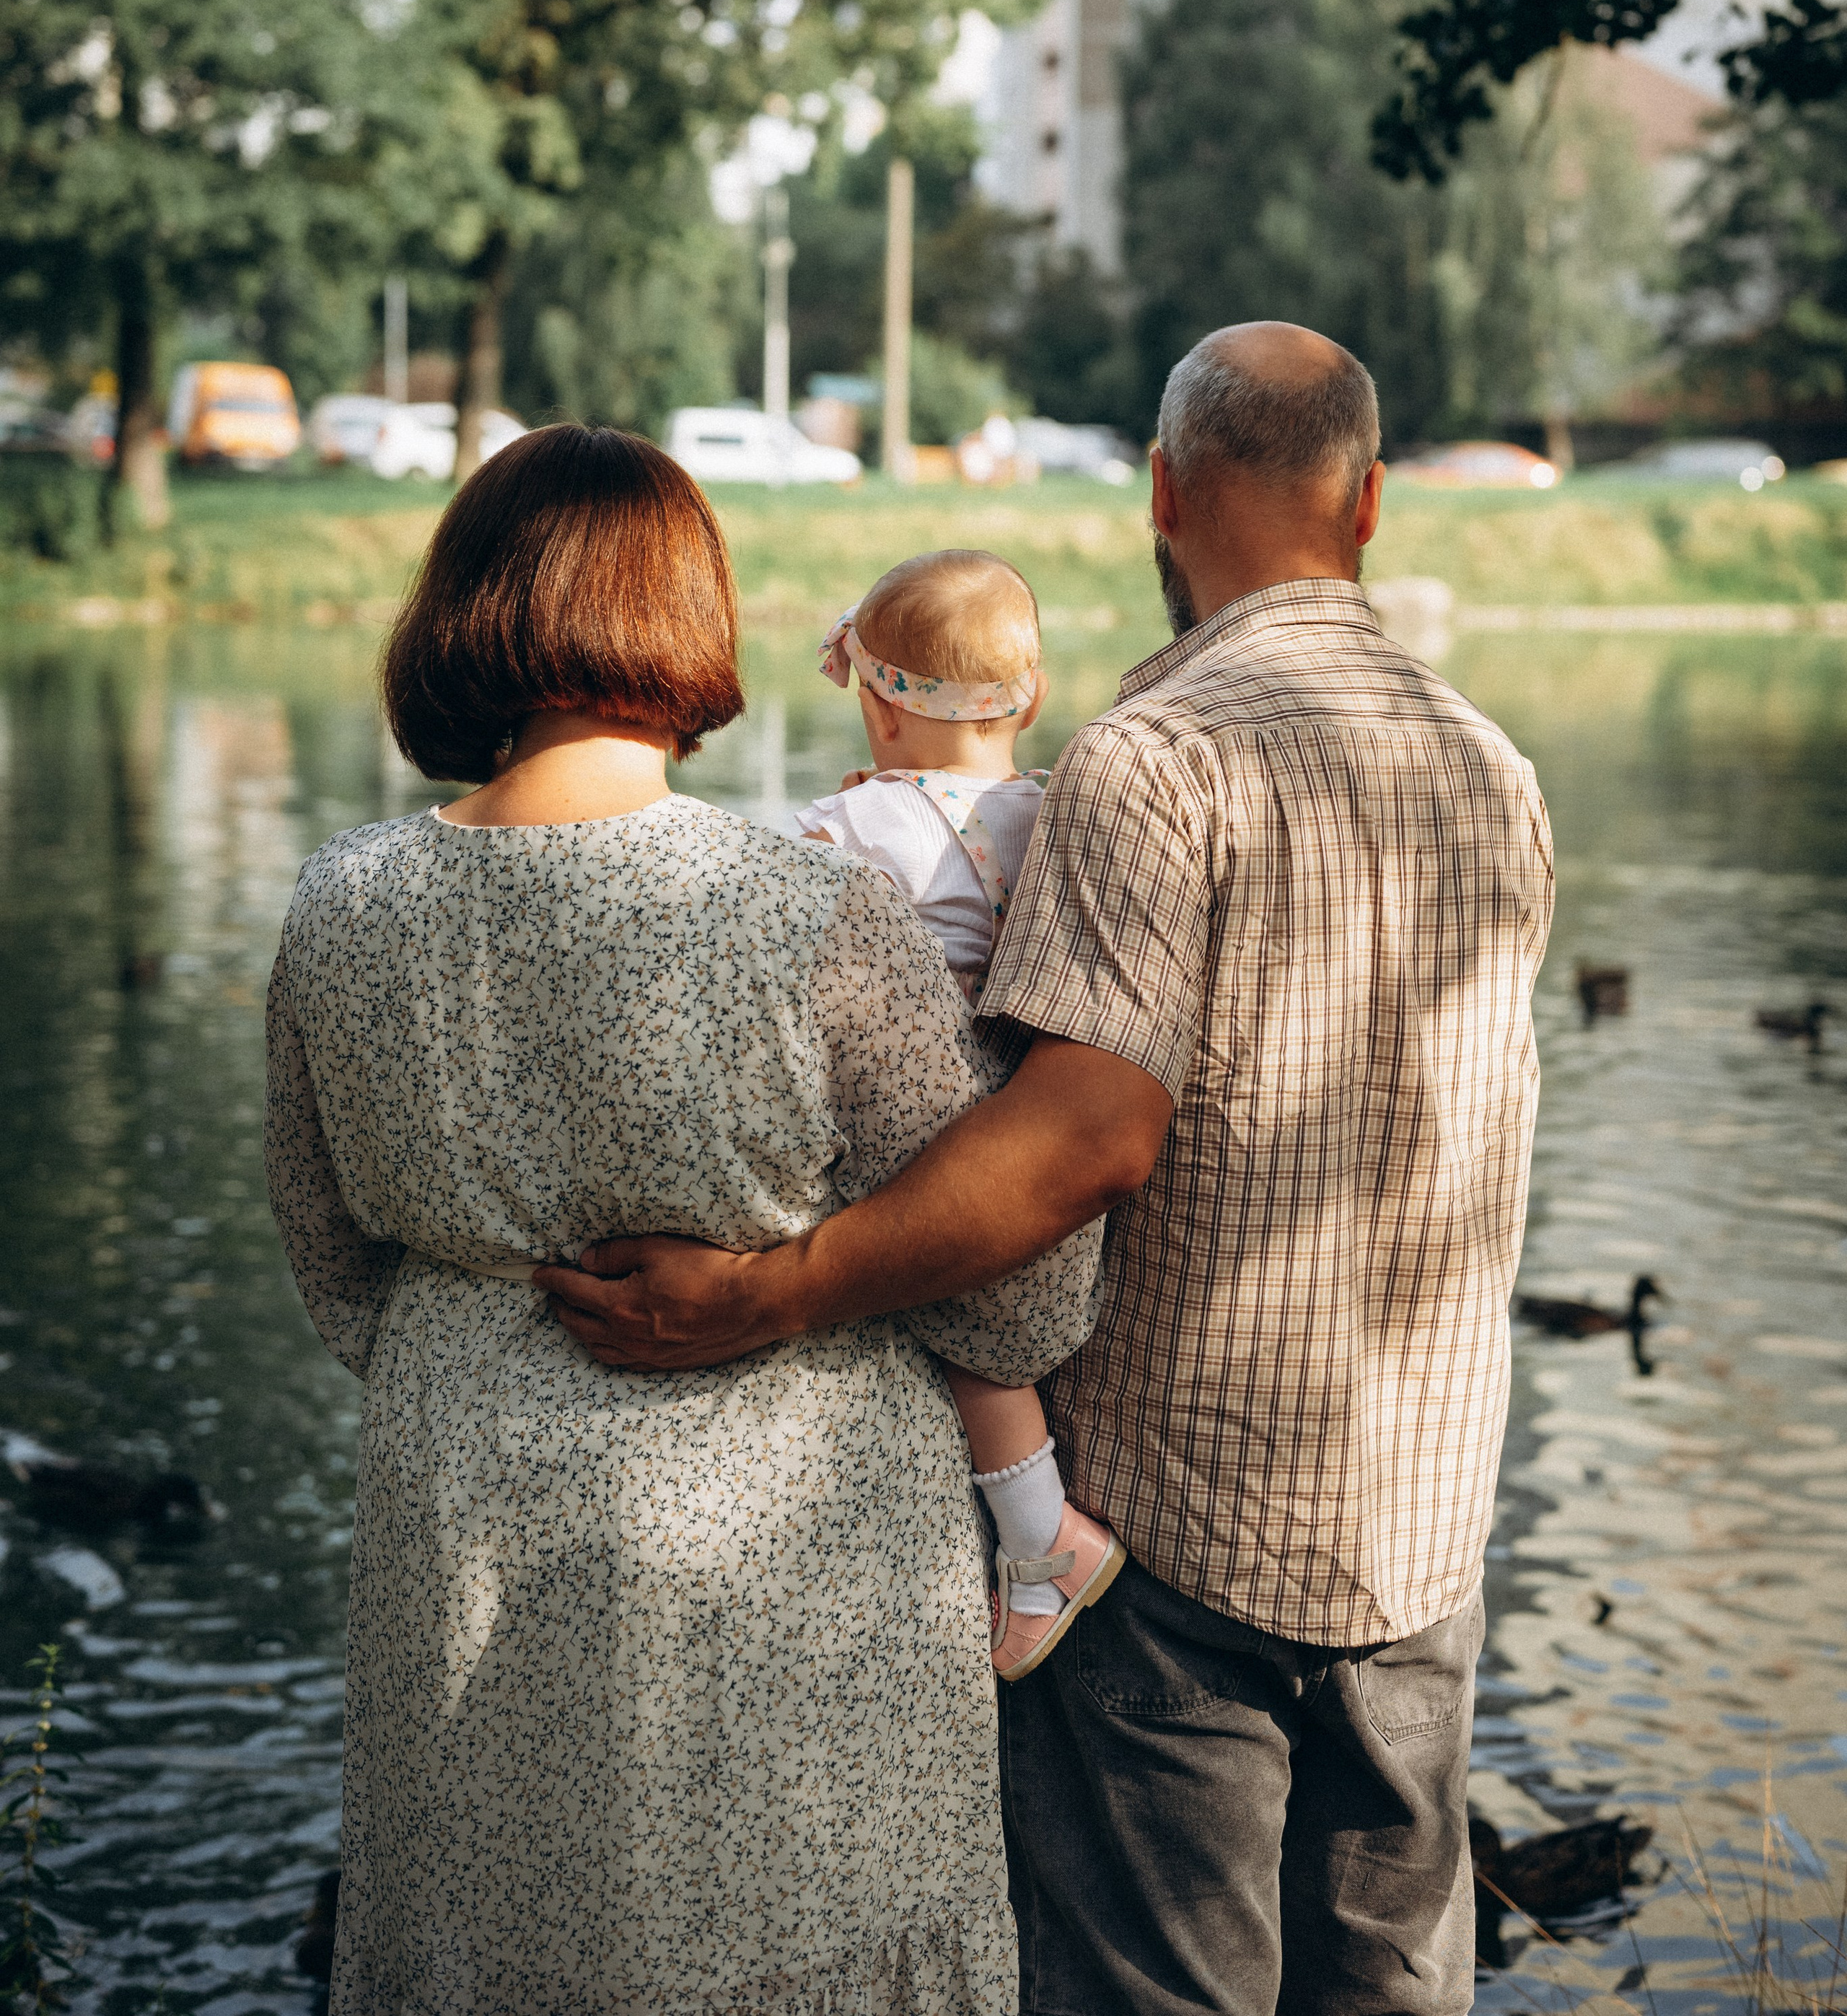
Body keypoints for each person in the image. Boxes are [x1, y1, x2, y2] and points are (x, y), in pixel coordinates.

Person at [540, 323, 1556, 2016]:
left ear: (1157, 491)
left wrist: (763, 1297)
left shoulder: (1153, 760)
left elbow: (1083, 1137)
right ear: (1370, 503)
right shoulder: (1491, 765)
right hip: (1425, 1526)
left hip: (1174, 1543)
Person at [263, 424, 1119, 2016]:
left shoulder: (339, 900)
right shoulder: (813, 909)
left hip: (463, 1534)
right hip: (791, 1572)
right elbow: (1009, 1293)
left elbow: (329, 1257)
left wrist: (490, 1353)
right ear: (688, 618)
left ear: (462, 609)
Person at [797, 550, 1124, 1681]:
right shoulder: (1056, 813)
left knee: (967, 1337)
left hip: (923, 1103)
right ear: (1029, 701)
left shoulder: (853, 831)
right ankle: (1029, 1540)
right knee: (989, 1337)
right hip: (1032, 1094)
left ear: (878, 709)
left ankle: (1045, 1543)